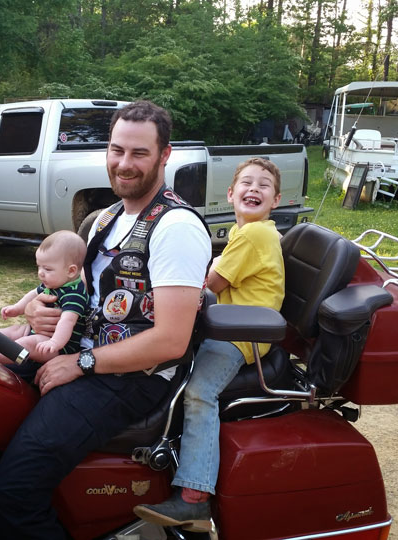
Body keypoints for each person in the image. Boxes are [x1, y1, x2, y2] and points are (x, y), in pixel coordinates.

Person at [0, 101, 212, 539]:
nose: (124, 164)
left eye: (139, 153)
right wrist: (37, 308)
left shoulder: (176, 227)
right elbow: (74, 290)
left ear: (165, 155)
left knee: (15, 489)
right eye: (116, 150)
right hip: (83, 355)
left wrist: (81, 364)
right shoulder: (107, 219)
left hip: (130, 377)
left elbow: (170, 341)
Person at [133, 157, 285, 532]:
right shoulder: (246, 233)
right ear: (230, 194)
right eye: (246, 183)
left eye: (263, 185)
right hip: (227, 325)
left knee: (199, 392)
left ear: (277, 200)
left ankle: (194, 499)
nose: (254, 189)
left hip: (241, 334)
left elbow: (210, 283)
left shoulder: (255, 234)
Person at [0, 230, 88, 367]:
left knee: (27, 343)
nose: (40, 273)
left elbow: (67, 321)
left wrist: (55, 342)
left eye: (47, 269)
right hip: (41, 334)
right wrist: (17, 308)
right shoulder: (56, 283)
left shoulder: (75, 294)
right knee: (14, 330)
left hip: (60, 348)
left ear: (71, 271)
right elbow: (33, 294)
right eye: (39, 267)